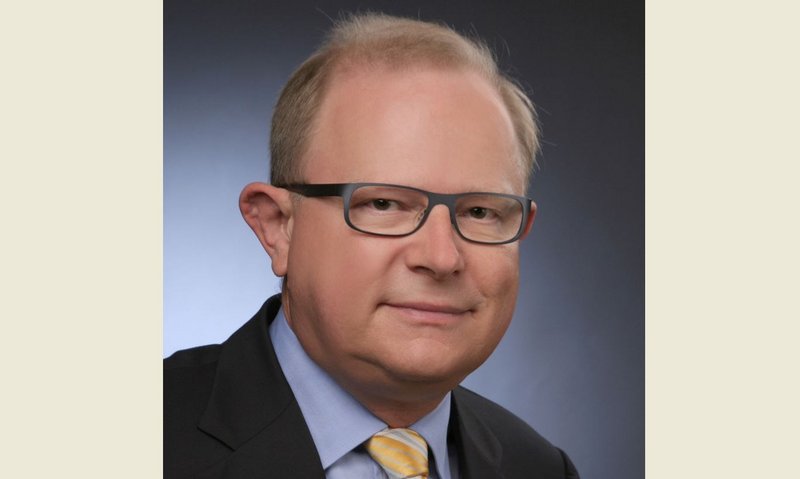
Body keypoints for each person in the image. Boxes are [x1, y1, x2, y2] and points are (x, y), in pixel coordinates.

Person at [164, 12, 579, 479]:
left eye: (480, 212)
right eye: (383, 204)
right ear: (278, 226)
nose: (441, 258)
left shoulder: (540, 468)